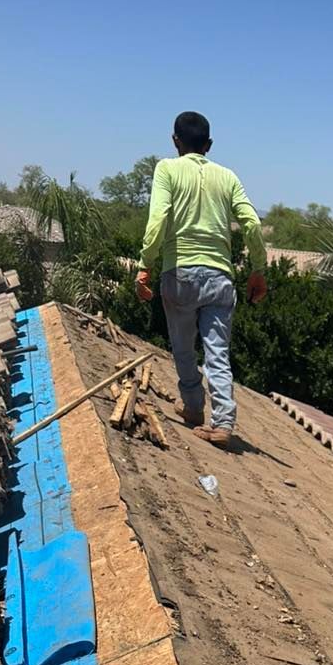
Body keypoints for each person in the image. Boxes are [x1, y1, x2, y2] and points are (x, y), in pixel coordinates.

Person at [135, 110, 267, 447]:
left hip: (179, 274)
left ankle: (194, 408)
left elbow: (158, 218)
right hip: (220, 277)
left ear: (174, 141)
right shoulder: (228, 177)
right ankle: (223, 423)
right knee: (217, 354)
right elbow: (251, 224)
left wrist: (145, 263)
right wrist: (258, 269)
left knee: (182, 347)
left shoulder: (167, 169)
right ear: (208, 145)